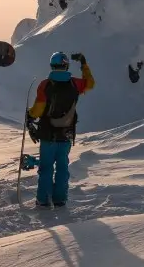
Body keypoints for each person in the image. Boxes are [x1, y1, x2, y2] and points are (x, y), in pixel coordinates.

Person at [26, 52, 95, 207]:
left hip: (47, 135)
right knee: (62, 168)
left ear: (52, 65)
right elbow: (90, 83)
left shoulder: (45, 85)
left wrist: (29, 116)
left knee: (46, 167)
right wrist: (84, 64)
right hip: (66, 134)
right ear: (66, 65)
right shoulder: (75, 84)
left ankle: (43, 199)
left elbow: (38, 110)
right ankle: (60, 199)